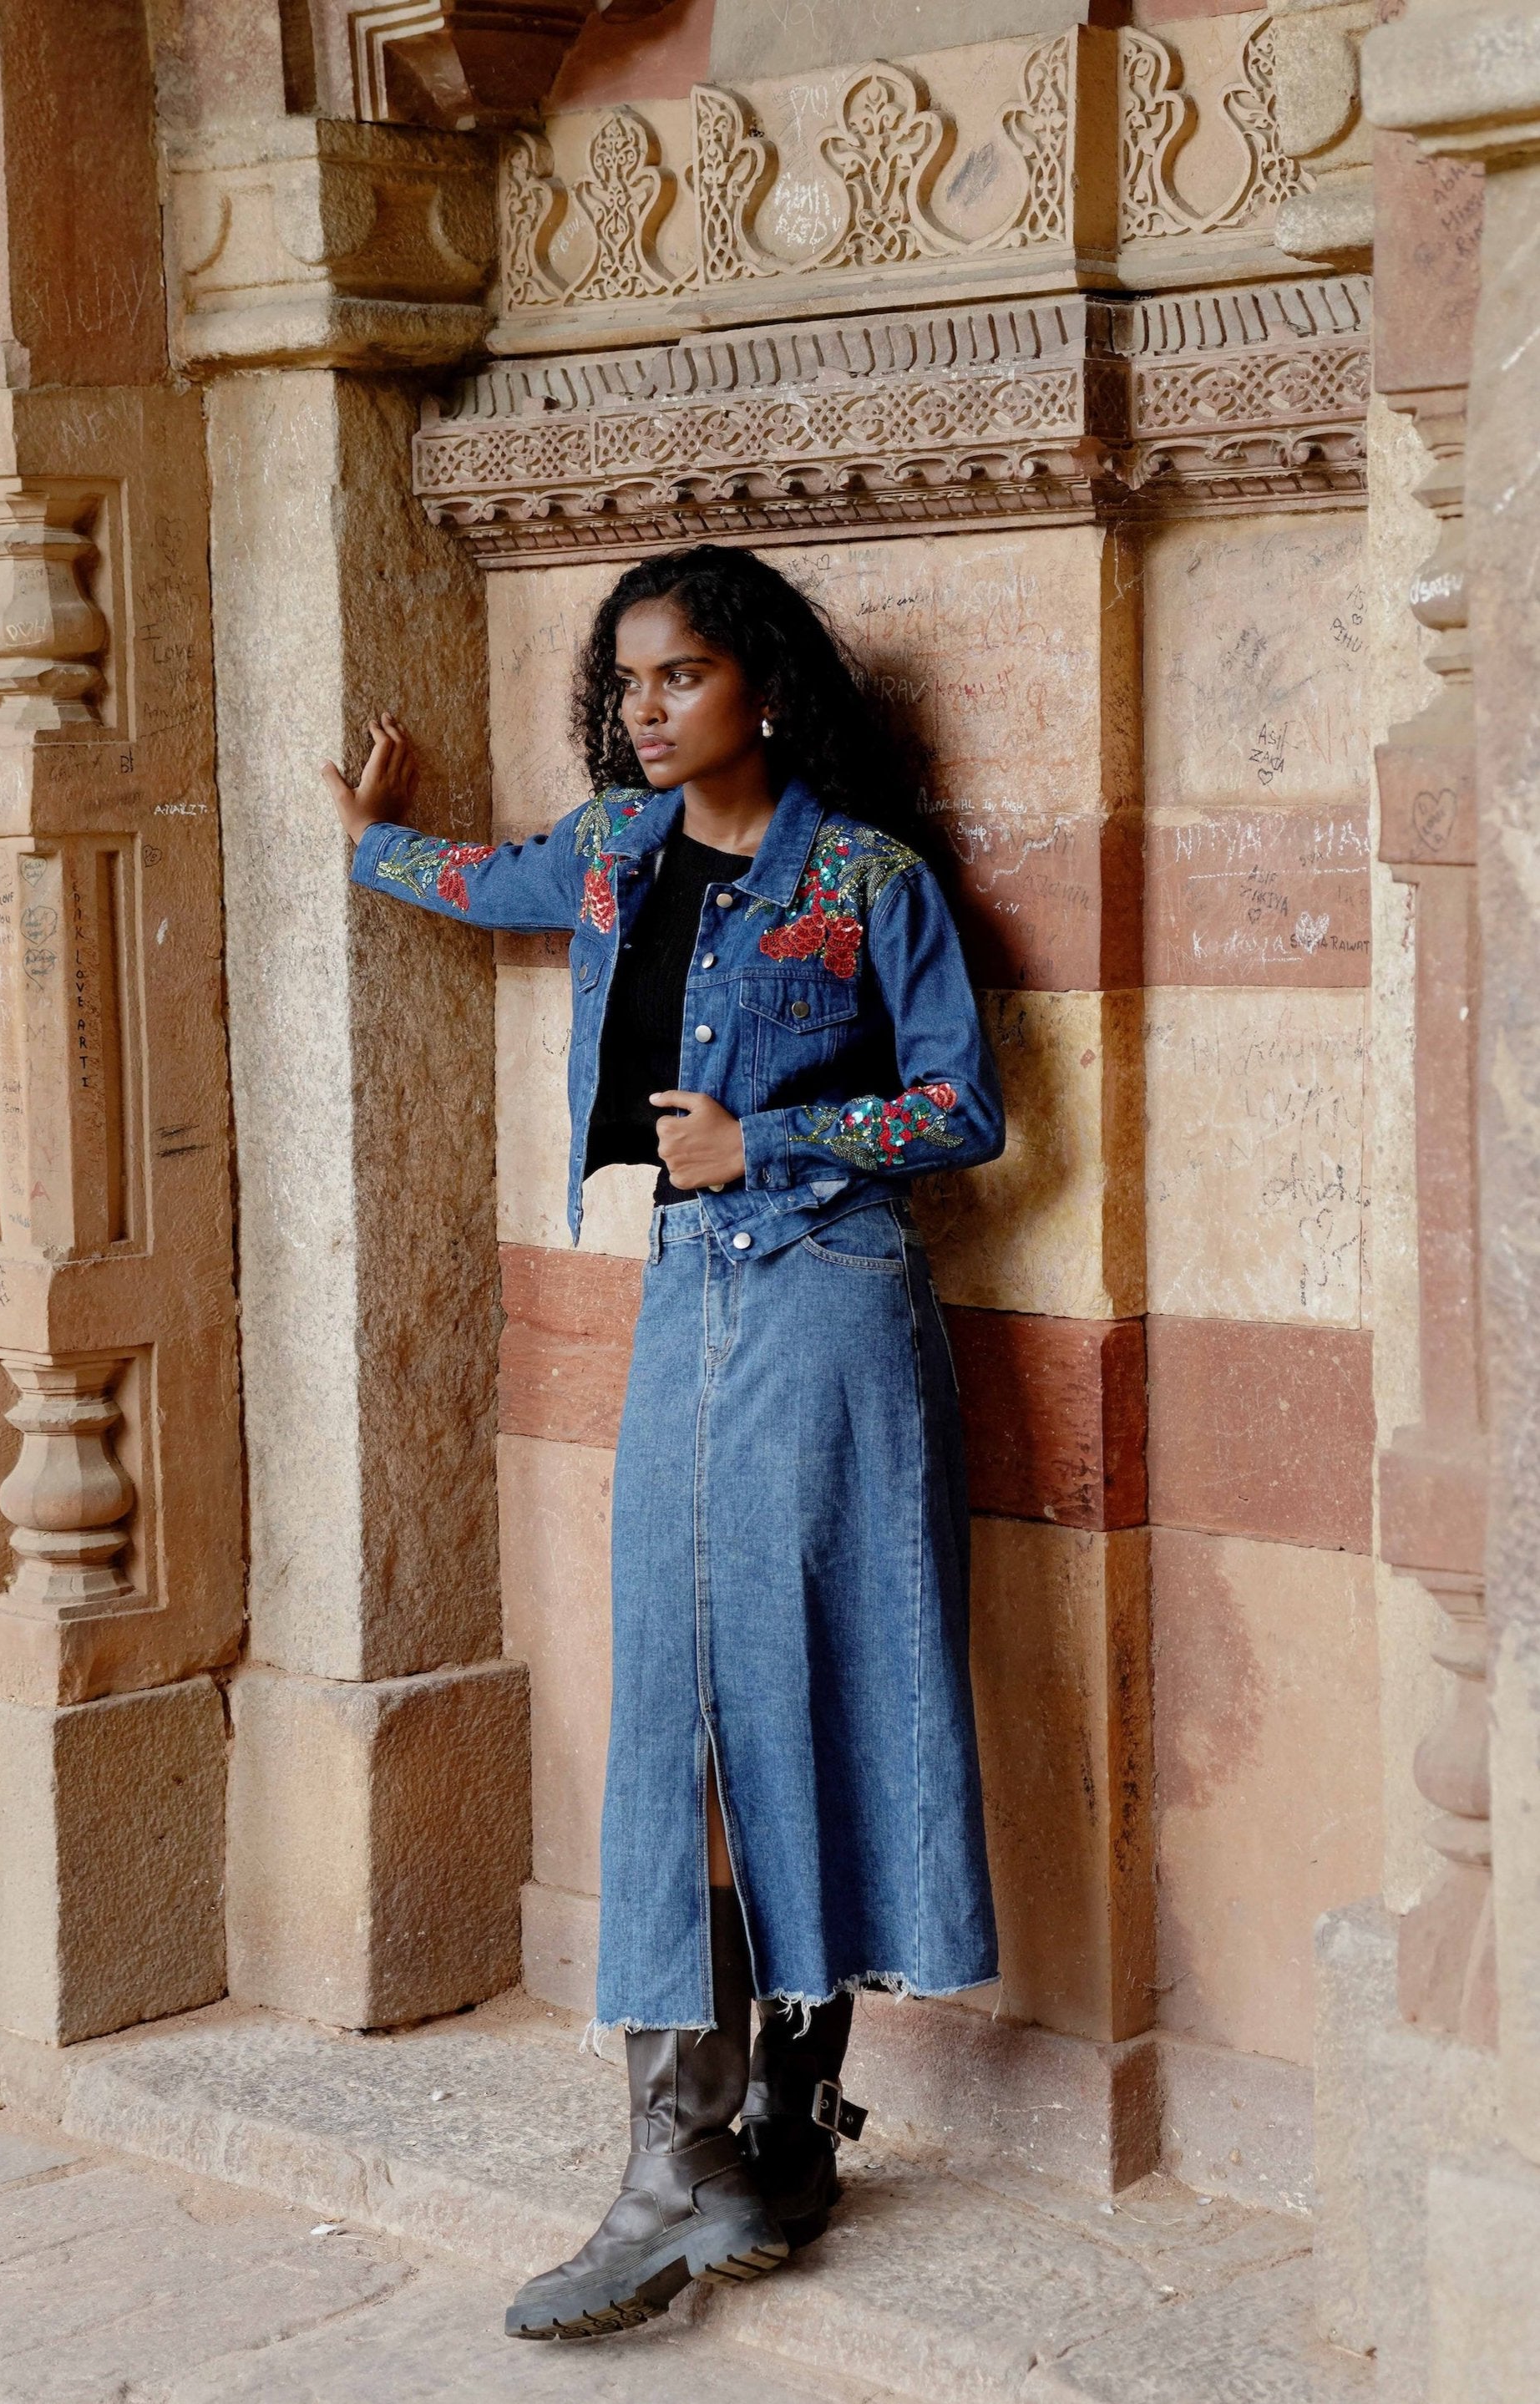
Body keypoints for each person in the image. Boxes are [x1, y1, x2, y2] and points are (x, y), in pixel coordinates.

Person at [325, 544, 1005, 2342]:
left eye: (677, 676)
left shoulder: (866, 878)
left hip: (834, 1297)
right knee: (670, 1698)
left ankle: (784, 2128)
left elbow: (964, 1105)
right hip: (686, 1301)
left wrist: (765, 1142)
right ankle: (665, 2156)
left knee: (813, 1677)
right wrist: (366, 837)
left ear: (761, 689)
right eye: (624, 680)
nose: (641, 708)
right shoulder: (617, 852)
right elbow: (482, 880)